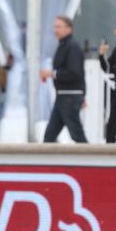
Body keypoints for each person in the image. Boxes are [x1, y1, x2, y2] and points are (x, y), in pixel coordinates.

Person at [41, 15, 87, 143]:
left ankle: (90, 159)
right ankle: (47, 162)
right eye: (55, 27)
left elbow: (75, 73)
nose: (55, 30)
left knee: (77, 134)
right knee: (50, 135)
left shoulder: (72, 47)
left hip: (69, 97)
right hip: (63, 96)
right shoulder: (63, 45)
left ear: (69, 29)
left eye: (59, 27)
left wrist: (52, 74)